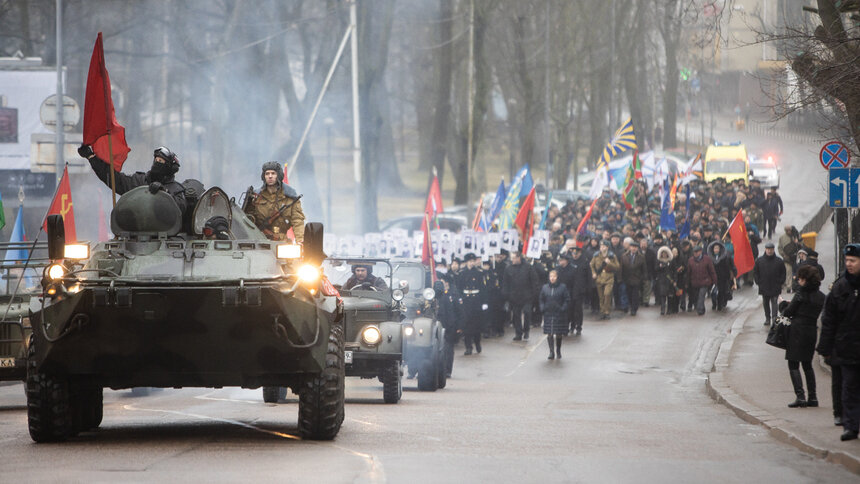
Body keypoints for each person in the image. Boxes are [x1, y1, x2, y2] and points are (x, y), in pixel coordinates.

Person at [818, 243, 860, 441]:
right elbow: (829, 320)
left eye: (853, 260)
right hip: (846, 348)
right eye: (847, 261)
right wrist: (825, 348)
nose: (849, 264)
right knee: (849, 389)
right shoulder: (840, 287)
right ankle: (851, 426)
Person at [79, 145, 187, 214]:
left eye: (161, 161)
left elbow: (181, 208)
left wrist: (164, 193)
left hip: (166, 236)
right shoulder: (138, 182)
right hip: (135, 236)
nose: (157, 163)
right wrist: (92, 158)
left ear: (169, 168)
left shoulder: (176, 190)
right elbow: (114, 179)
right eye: (156, 160)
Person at [779, 265, 825, 409]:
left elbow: (788, 312)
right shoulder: (821, 296)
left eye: (800, 278)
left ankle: (800, 396)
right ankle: (813, 397)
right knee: (807, 364)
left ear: (805, 280)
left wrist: (782, 305)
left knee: (793, 363)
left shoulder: (800, 294)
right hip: (811, 331)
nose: (798, 281)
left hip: (797, 331)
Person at [245, 161, 306, 242]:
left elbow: (297, 221)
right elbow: (247, 220)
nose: (270, 176)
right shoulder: (256, 197)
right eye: (267, 174)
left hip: (282, 242)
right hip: (258, 241)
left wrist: (300, 241)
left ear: (279, 175)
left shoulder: (290, 198)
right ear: (264, 176)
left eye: (273, 173)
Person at [503, 251, 539, 341]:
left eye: (514, 258)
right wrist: (506, 294)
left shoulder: (528, 267)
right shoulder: (508, 268)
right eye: (511, 258)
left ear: (519, 258)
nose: (512, 260)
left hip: (527, 296)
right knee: (516, 316)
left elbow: (534, 281)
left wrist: (534, 294)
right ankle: (518, 333)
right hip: (514, 297)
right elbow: (505, 283)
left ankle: (526, 330)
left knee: (527, 313)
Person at [457, 253, 487, 355]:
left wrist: (484, 302)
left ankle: (477, 343)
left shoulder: (479, 273)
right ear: (466, 262)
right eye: (470, 261)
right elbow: (459, 288)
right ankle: (468, 346)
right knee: (466, 325)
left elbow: (483, 289)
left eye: (473, 261)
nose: (471, 263)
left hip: (476, 300)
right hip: (466, 301)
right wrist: (460, 299)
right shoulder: (461, 273)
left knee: (477, 324)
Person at [434, 279, 463, 378]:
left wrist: (458, 327)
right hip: (437, 327)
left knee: (448, 350)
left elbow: (459, 312)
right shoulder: (434, 297)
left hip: (449, 327)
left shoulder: (452, 295)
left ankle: (447, 370)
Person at [539, 269, 570, 360]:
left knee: (558, 333)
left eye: (554, 276)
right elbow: (541, 298)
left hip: (559, 313)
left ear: (557, 277)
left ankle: (558, 350)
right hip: (548, 313)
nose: (552, 278)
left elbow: (567, 299)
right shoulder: (545, 287)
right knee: (549, 333)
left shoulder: (562, 287)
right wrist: (542, 307)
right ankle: (551, 352)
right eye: (551, 276)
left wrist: (563, 308)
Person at [753, 242, 786, 326]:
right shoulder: (759, 261)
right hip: (764, 286)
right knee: (765, 303)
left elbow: (783, 272)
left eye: (771, 249)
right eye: (768, 249)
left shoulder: (779, 261)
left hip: (775, 285)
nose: (769, 251)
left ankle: (774, 318)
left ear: (773, 250)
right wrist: (758, 281)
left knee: (774, 302)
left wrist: (781, 281)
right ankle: (767, 318)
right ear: (765, 249)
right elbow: (756, 272)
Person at [590, 240, 620, 320]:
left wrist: (609, 263)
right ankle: (602, 311)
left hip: (609, 277)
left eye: (603, 246)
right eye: (600, 246)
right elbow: (591, 265)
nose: (601, 248)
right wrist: (593, 273)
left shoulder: (612, 256)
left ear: (607, 247)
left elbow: (617, 267)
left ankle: (607, 311)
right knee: (601, 296)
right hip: (599, 278)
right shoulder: (596, 255)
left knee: (607, 294)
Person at [686, 245, 717, 316]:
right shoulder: (690, 260)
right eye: (694, 252)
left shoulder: (707, 259)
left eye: (697, 252)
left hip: (704, 282)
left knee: (701, 296)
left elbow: (712, 271)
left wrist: (715, 281)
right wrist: (687, 283)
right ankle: (701, 308)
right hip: (695, 283)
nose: (695, 253)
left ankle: (700, 310)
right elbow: (688, 273)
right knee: (696, 297)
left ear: (700, 252)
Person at [708, 241, 736, 311]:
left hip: (722, 278)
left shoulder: (725, 257)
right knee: (713, 292)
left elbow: (730, 267)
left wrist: (732, 274)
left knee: (721, 291)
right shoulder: (710, 257)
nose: (716, 250)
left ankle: (719, 305)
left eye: (717, 248)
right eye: (715, 248)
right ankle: (714, 303)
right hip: (713, 278)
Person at [620, 241, 646, 316]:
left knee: (635, 294)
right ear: (630, 247)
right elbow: (621, 268)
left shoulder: (641, 257)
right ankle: (631, 305)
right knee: (629, 294)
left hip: (637, 279)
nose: (634, 249)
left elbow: (644, 269)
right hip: (627, 278)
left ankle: (634, 308)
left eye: (635, 247)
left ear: (637, 248)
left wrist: (644, 278)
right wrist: (620, 278)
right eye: (632, 247)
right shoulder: (624, 256)